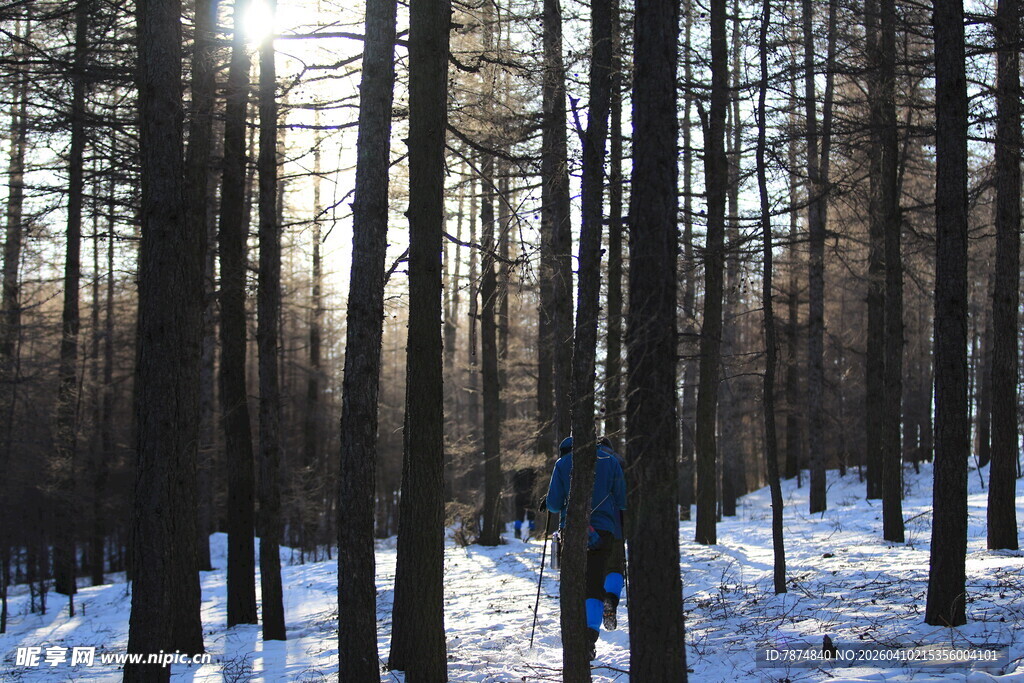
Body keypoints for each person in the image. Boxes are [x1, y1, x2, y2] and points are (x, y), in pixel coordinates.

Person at [545, 435, 626, 661]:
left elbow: (553, 504)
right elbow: (622, 499)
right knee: (595, 581)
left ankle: (574, 633)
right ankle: (590, 637)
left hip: (571, 532)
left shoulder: (562, 464)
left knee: (574, 585)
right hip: (605, 531)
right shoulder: (610, 462)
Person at [597, 436, 625, 630]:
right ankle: (610, 600)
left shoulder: (583, 460)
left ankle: (590, 615)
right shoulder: (619, 462)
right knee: (615, 567)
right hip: (614, 524)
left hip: (589, 526)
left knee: (593, 570)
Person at [511, 466, 538, 539]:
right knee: (531, 514)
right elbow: (536, 484)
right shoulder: (533, 472)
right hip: (530, 495)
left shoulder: (518, 472)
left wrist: (519, 491)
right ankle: (531, 532)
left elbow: (514, 484)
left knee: (519, 515)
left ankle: (517, 531)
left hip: (519, 496)